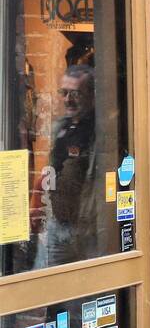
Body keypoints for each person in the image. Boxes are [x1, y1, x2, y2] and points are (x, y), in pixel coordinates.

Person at [37, 57, 98, 268]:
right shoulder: (60, 128)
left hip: (85, 228)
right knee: (43, 283)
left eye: (75, 93)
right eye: (64, 93)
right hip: (58, 224)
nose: (68, 99)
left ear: (91, 95)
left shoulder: (100, 132)